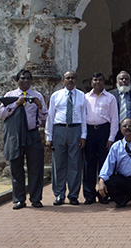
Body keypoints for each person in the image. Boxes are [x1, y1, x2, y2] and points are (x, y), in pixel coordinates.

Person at [0, 69, 47, 209]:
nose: (25, 81)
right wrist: (16, 104)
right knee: (16, 167)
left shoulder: (37, 95)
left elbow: (44, 117)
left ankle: (36, 198)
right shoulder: (10, 95)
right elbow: (1, 113)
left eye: (28, 79)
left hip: (32, 134)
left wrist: (40, 106)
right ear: (17, 80)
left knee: (36, 167)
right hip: (15, 136)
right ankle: (19, 199)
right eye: (23, 78)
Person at [45, 71, 88, 206]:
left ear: (76, 80)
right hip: (59, 129)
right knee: (59, 164)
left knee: (75, 163)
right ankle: (59, 194)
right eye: (68, 78)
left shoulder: (82, 96)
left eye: (73, 78)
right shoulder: (56, 96)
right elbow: (50, 116)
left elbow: (84, 116)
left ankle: (74, 195)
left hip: (75, 129)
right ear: (63, 80)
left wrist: (83, 135)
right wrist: (49, 136)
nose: (70, 80)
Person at [83, 72, 118, 204]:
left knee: (105, 164)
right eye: (95, 80)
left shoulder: (110, 98)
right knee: (89, 164)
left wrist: (111, 138)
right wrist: (83, 135)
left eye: (100, 80)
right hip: (89, 132)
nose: (97, 82)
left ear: (104, 82)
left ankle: (104, 194)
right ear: (91, 82)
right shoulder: (85, 97)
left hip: (104, 131)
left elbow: (115, 119)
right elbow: (82, 117)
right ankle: (89, 195)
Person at [110, 71, 131, 142]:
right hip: (114, 129)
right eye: (121, 79)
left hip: (129, 129)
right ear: (117, 81)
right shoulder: (110, 95)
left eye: (126, 79)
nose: (124, 80)